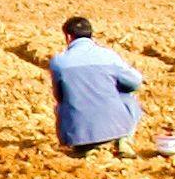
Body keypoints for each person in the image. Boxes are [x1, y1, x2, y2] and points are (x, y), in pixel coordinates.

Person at [47, 16, 143, 157]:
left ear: (68, 37)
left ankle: (84, 146)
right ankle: (124, 140)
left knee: (62, 105)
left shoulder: (59, 62)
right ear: (91, 34)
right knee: (128, 97)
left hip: (77, 133)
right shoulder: (108, 56)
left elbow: (59, 96)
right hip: (115, 126)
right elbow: (135, 82)